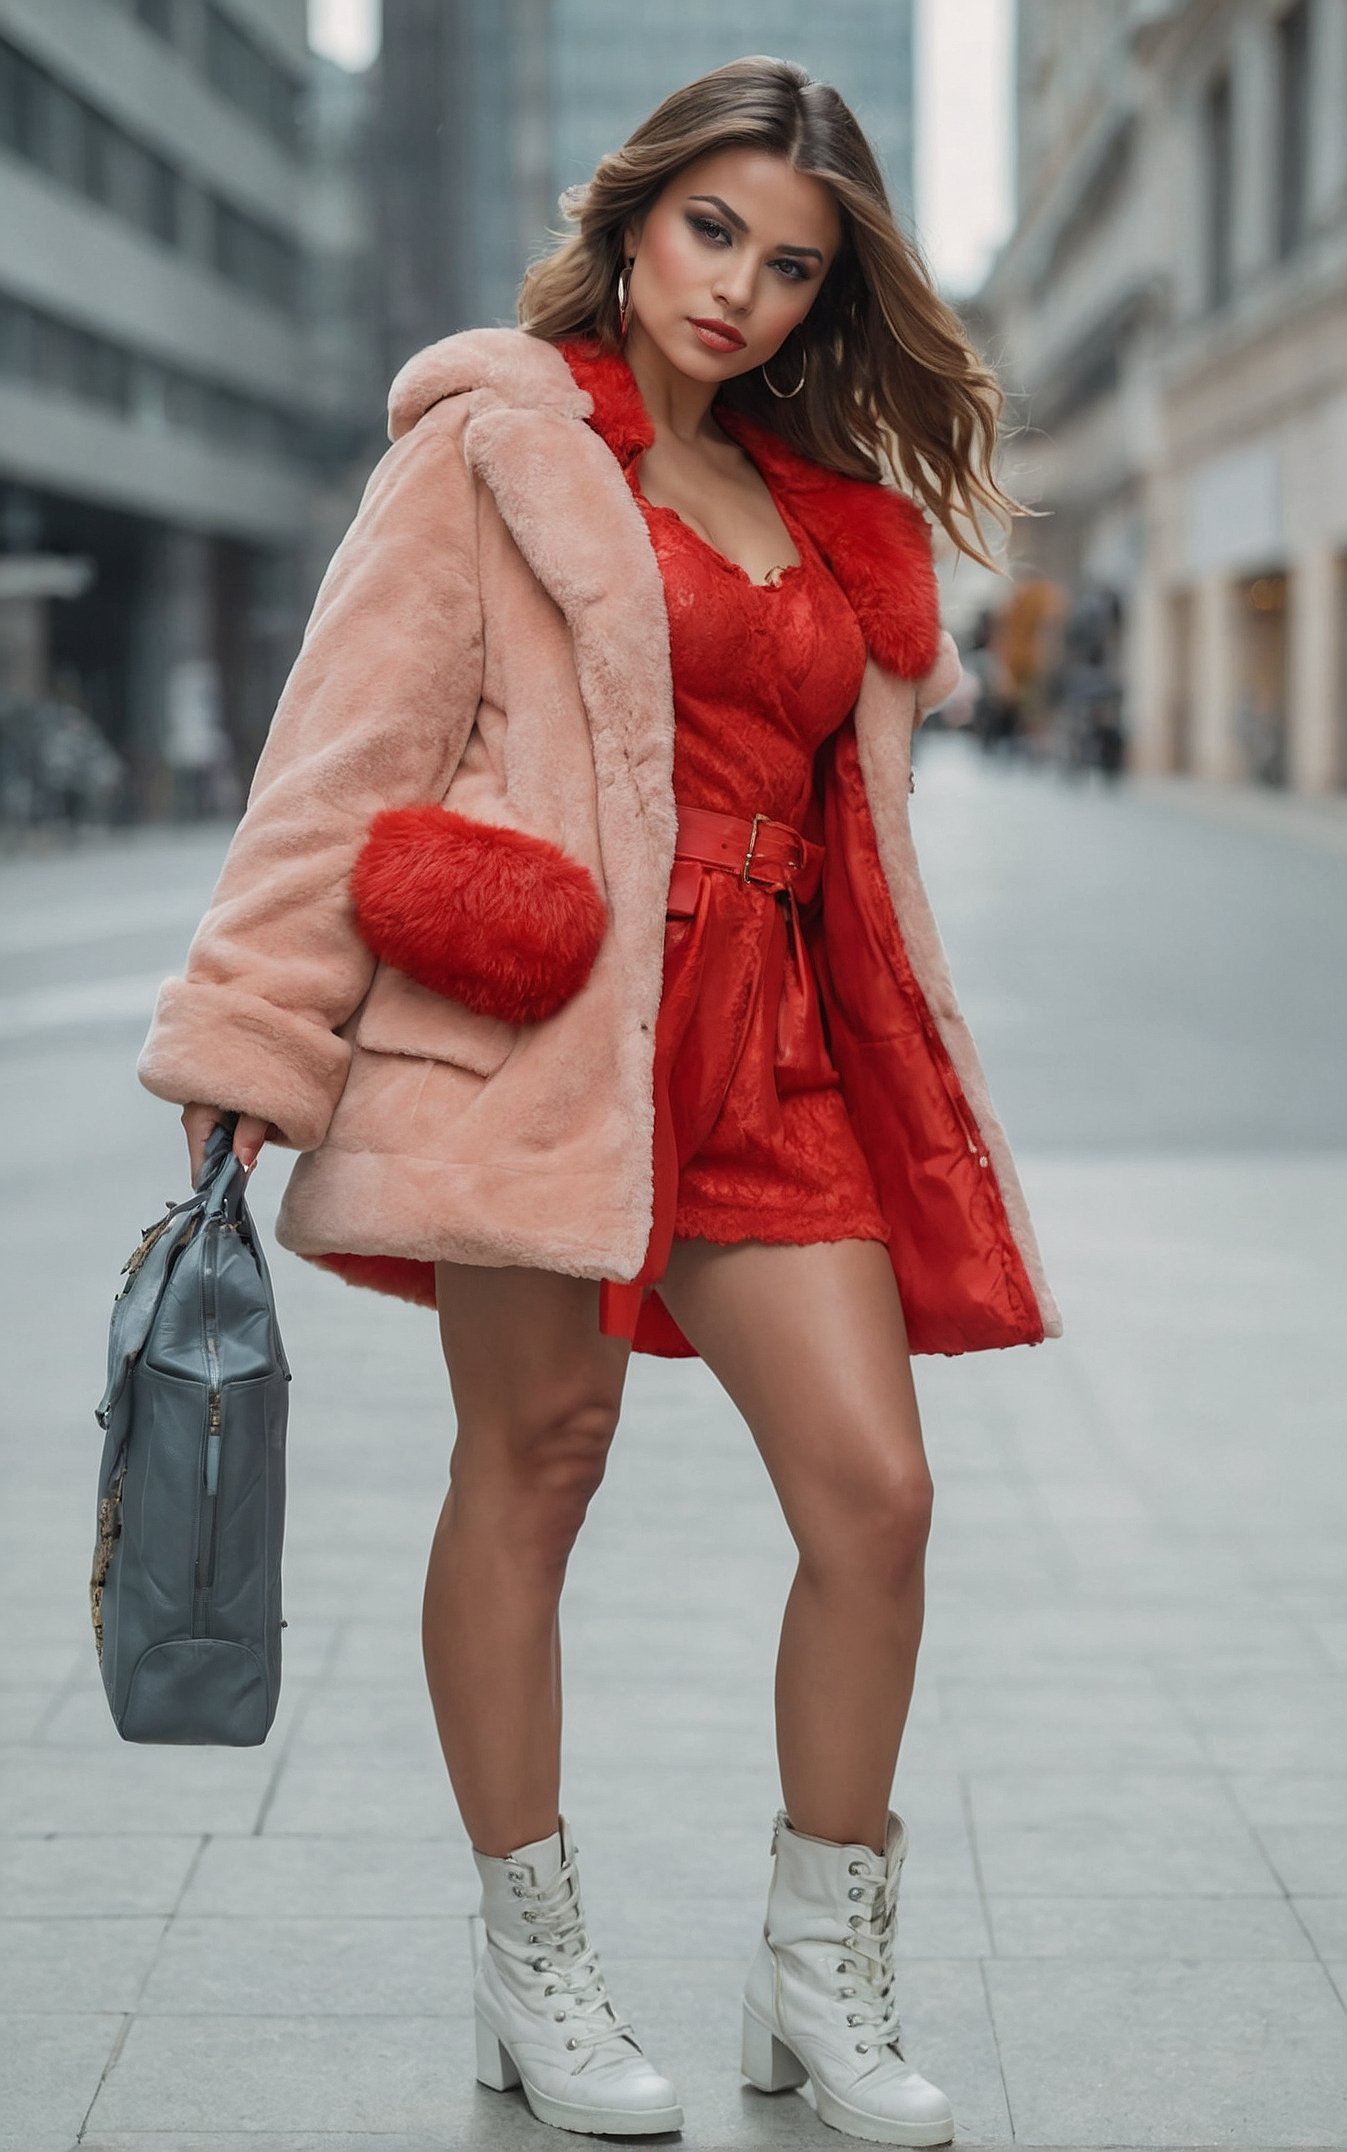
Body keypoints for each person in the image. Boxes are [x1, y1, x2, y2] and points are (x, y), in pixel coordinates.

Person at [137, 56, 1062, 2148]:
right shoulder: (493, 452)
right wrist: (251, 1051)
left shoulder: (819, 508)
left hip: (780, 1047)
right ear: (637, 222)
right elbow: (339, 756)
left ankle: (817, 1977)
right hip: (552, 1031)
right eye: (713, 230)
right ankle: (528, 1955)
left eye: (792, 262)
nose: (738, 285)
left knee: (877, 1499)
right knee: (536, 1456)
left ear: (830, 297)